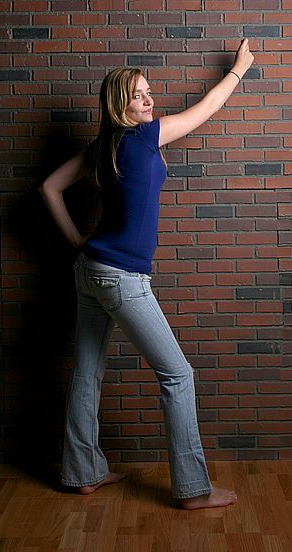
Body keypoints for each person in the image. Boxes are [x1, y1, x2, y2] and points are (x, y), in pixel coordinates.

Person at [39, 39, 254, 510]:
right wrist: (239, 68)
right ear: (120, 103)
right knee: (178, 375)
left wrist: (80, 244)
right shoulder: (142, 137)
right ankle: (194, 489)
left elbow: (49, 188)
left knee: (87, 373)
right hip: (120, 277)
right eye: (139, 95)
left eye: (150, 92)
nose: (150, 100)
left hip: (91, 269)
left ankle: (83, 472)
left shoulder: (102, 147)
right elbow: (210, 105)